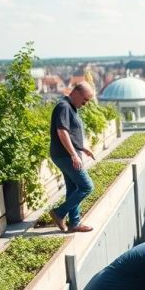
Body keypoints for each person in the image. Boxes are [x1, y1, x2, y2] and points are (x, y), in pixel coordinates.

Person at [49, 81, 97, 233]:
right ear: (76, 93)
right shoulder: (63, 106)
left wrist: (82, 148)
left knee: (74, 188)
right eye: (85, 100)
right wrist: (74, 154)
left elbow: (70, 133)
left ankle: (74, 223)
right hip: (65, 156)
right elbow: (62, 132)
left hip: (66, 155)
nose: (85, 103)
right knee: (87, 186)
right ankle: (58, 213)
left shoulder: (71, 108)